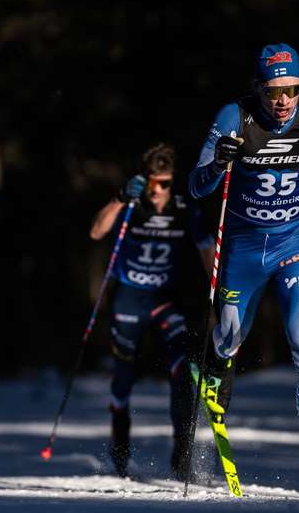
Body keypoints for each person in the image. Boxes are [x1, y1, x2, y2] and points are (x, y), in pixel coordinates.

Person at [188, 43, 299, 500]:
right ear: (258, 89)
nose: (283, 101)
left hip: (293, 246)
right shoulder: (233, 118)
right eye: (273, 91)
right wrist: (220, 161)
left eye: (292, 90)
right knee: (227, 338)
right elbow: (197, 185)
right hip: (243, 249)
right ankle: (218, 369)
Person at [90, 143, 215, 480]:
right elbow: (97, 231)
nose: (158, 191)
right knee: (123, 379)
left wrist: (216, 292)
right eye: (153, 183)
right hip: (129, 299)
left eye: (165, 183)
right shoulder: (131, 204)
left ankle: (181, 454)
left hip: (164, 300)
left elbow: (207, 248)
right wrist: (118, 198)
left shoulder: (183, 207)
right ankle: (119, 455)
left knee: (182, 370)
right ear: (142, 180)